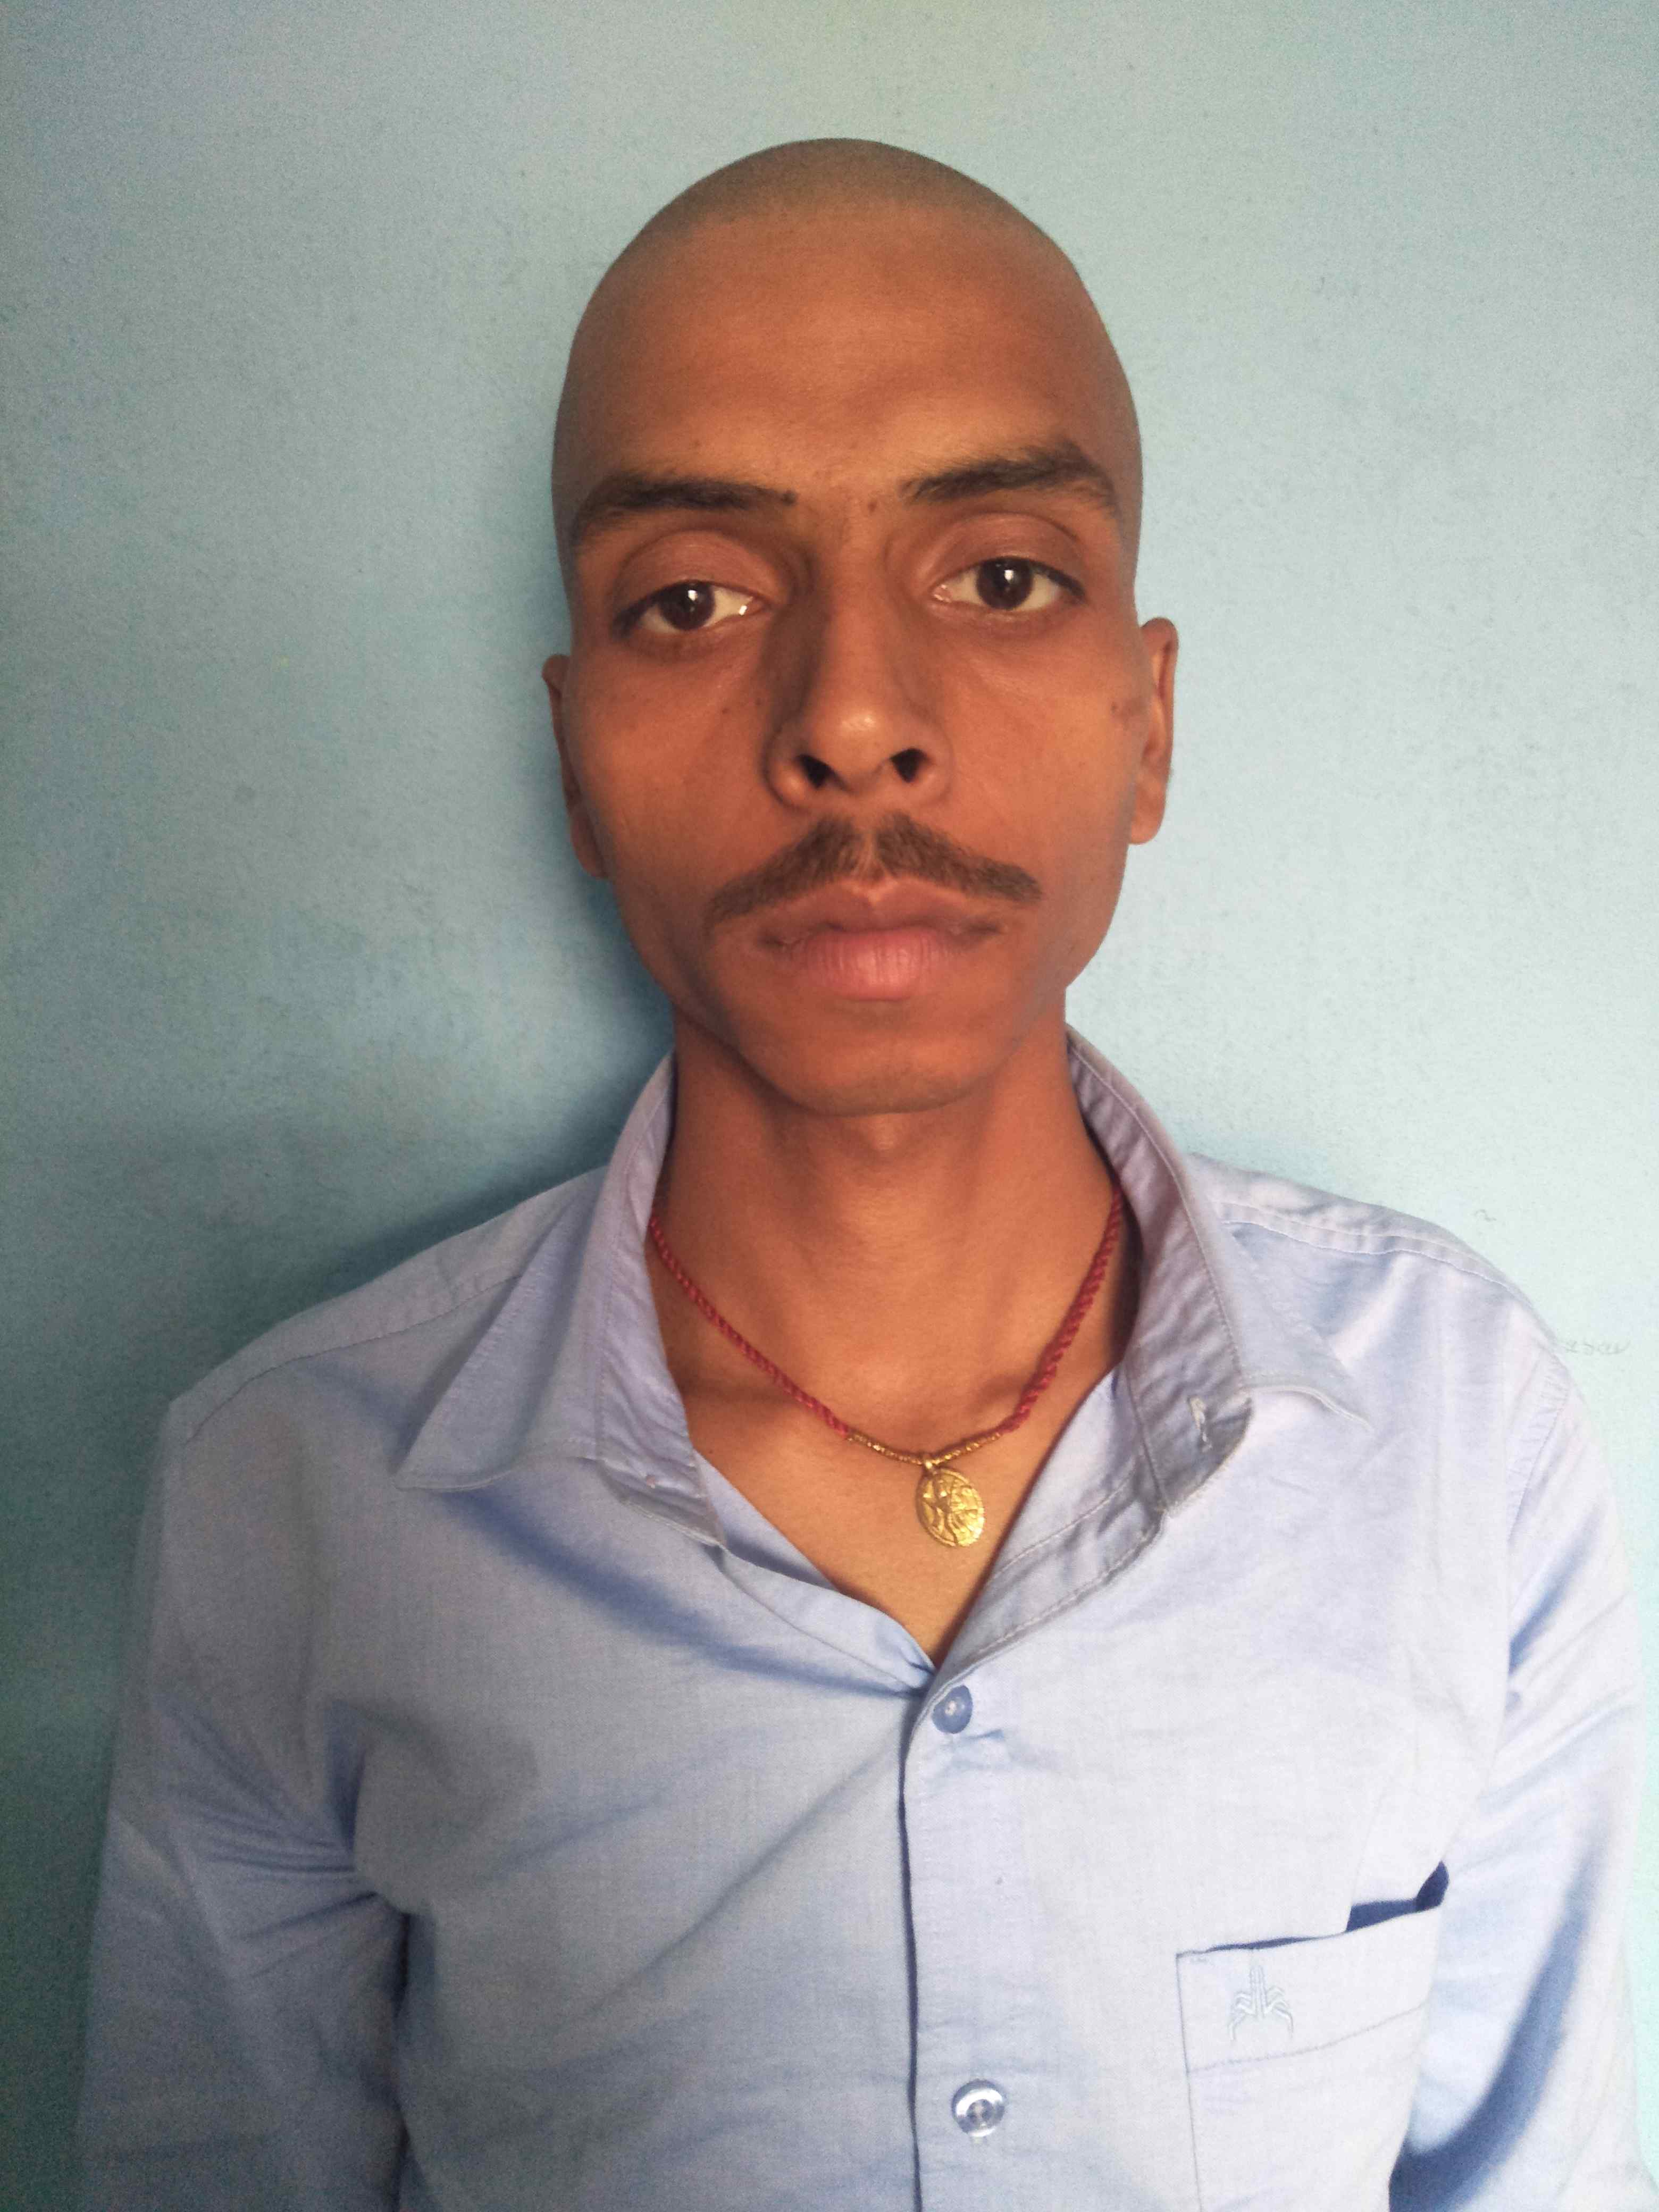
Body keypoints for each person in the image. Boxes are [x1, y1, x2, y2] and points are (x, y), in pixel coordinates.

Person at [79, 139, 1653, 2211]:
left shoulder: (1456, 1431)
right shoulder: (296, 1497)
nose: (849, 717)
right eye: (693, 599)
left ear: (1147, 723)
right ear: (574, 755)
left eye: (1000, 577)